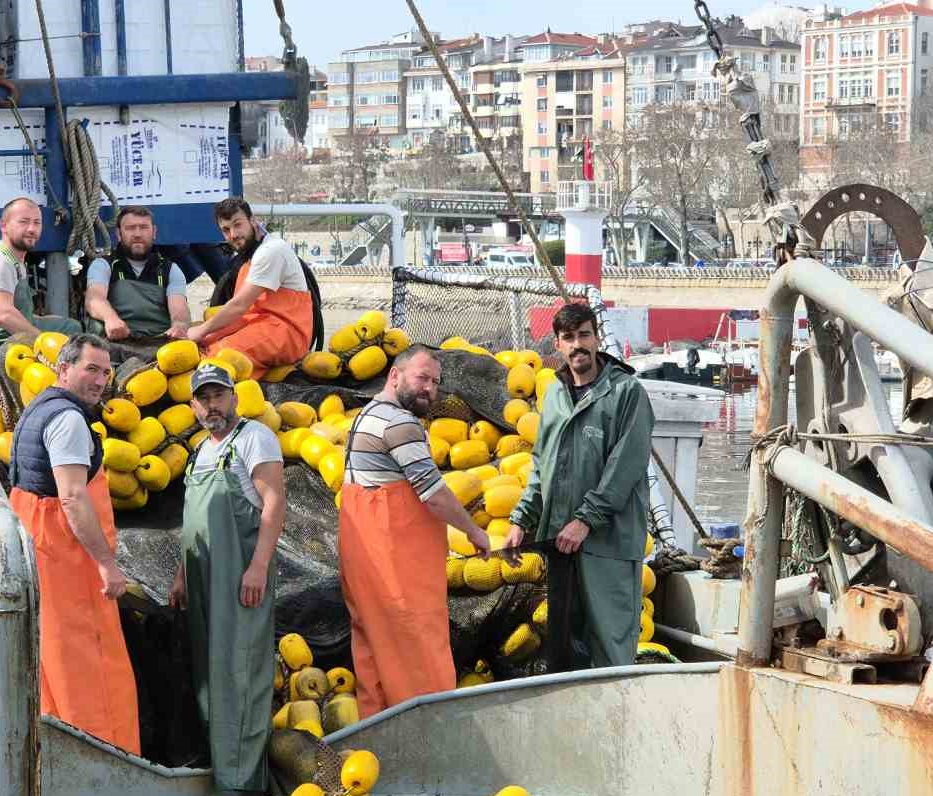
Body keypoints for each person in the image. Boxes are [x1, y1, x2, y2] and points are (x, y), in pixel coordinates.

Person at [338, 345, 491, 717]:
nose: (430, 389)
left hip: (367, 561)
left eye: (436, 382)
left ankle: (378, 748)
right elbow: (432, 493)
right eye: (422, 377)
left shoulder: (366, 416)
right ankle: (428, 745)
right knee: (418, 653)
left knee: (376, 656)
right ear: (395, 375)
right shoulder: (399, 424)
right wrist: (474, 531)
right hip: (396, 566)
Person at [8, 333, 141, 754]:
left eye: (105, 372)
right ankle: (109, 764)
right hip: (70, 561)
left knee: (55, 669)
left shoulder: (37, 409)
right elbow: (71, 496)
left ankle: (58, 762)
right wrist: (106, 564)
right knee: (93, 677)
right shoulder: (67, 421)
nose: (100, 380)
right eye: (90, 369)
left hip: (41, 549)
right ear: (63, 368)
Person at [503, 303, 655, 671]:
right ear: (557, 344)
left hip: (608, 546)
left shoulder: (626, 393)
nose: (577, 345)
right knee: (566, 649)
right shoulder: (553, 393)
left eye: (584, 335)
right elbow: (543, 463)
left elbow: (625, 467)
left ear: (597, 337)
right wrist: (521, 519)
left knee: (610, 645)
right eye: (568, 338)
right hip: (560, 544)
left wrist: (585, 520)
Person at [168, 362, 286, 796]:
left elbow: (274, 502)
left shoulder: (254, 439)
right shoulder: (200, 450)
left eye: (219, 395)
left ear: (235, 397)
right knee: (210, 670)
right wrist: (181, 575)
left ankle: (244, 779)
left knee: (241, 667)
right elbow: (190, 523)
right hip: (201, 578)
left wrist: (258, 566)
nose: (212, 405)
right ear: (193, 405)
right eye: (204, 398)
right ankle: (222, 765)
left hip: (239, 574)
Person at [186, 198, 314, 379]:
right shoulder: (249, 257)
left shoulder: (270, 251)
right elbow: (247, 312)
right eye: (226, 230)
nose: (233, 234)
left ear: (253, 221)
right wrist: (208, 336)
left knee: (216, 360)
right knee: (204, 345)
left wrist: (201, 330)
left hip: (286, 332)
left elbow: (239, 305)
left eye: (238, 225)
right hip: (261, 323)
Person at [0, 197, 82, 366]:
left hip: (7, 335)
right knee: (59, 351)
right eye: (24, 222)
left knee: (69, 328)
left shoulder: (16, 261)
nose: (31, 229)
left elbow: (17, 311)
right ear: (3, 225)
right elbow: (4, 315)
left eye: (37, 223)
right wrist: (43, 342)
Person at [83, 206, 191, 341]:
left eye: (144, 227)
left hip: (159, 342)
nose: (137, 234)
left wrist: (179, 325)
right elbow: (94, 299)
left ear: (154, 232)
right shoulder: (103, 265)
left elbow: (179, 307)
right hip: (115, 341)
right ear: (118, 234)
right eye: (130, 228)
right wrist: (110, 318)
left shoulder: (171, 270)